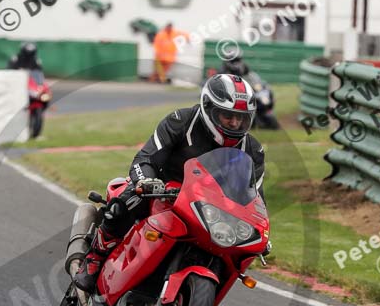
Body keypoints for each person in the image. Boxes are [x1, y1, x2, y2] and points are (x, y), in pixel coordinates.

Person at [73, 73, 266, 293]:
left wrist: (259, 228)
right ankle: (95, 258)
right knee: (124, 202)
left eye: (241, 118)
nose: (234, 123)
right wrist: (146, 181)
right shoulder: (180, 121)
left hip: (209, 209)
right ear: (209, 108)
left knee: (234, 252)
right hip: (162, 191)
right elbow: (145, 157)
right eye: (227, 116)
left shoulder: (253, 151)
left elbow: (255, 196)